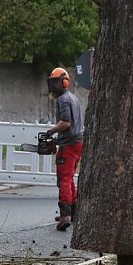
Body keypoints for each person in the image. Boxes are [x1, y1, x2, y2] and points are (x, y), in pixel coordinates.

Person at [46, 66, 84, 231]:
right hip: (77, 143)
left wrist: (51, 131)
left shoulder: (63, 99)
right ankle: (74, 211)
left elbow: (66, 122)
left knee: (64, 179)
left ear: (65, 82)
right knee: (69, 177)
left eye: (56, 82)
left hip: (68, 144)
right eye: (52, 83)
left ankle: (65, 215)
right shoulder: (73, 98)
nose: (54, 86)